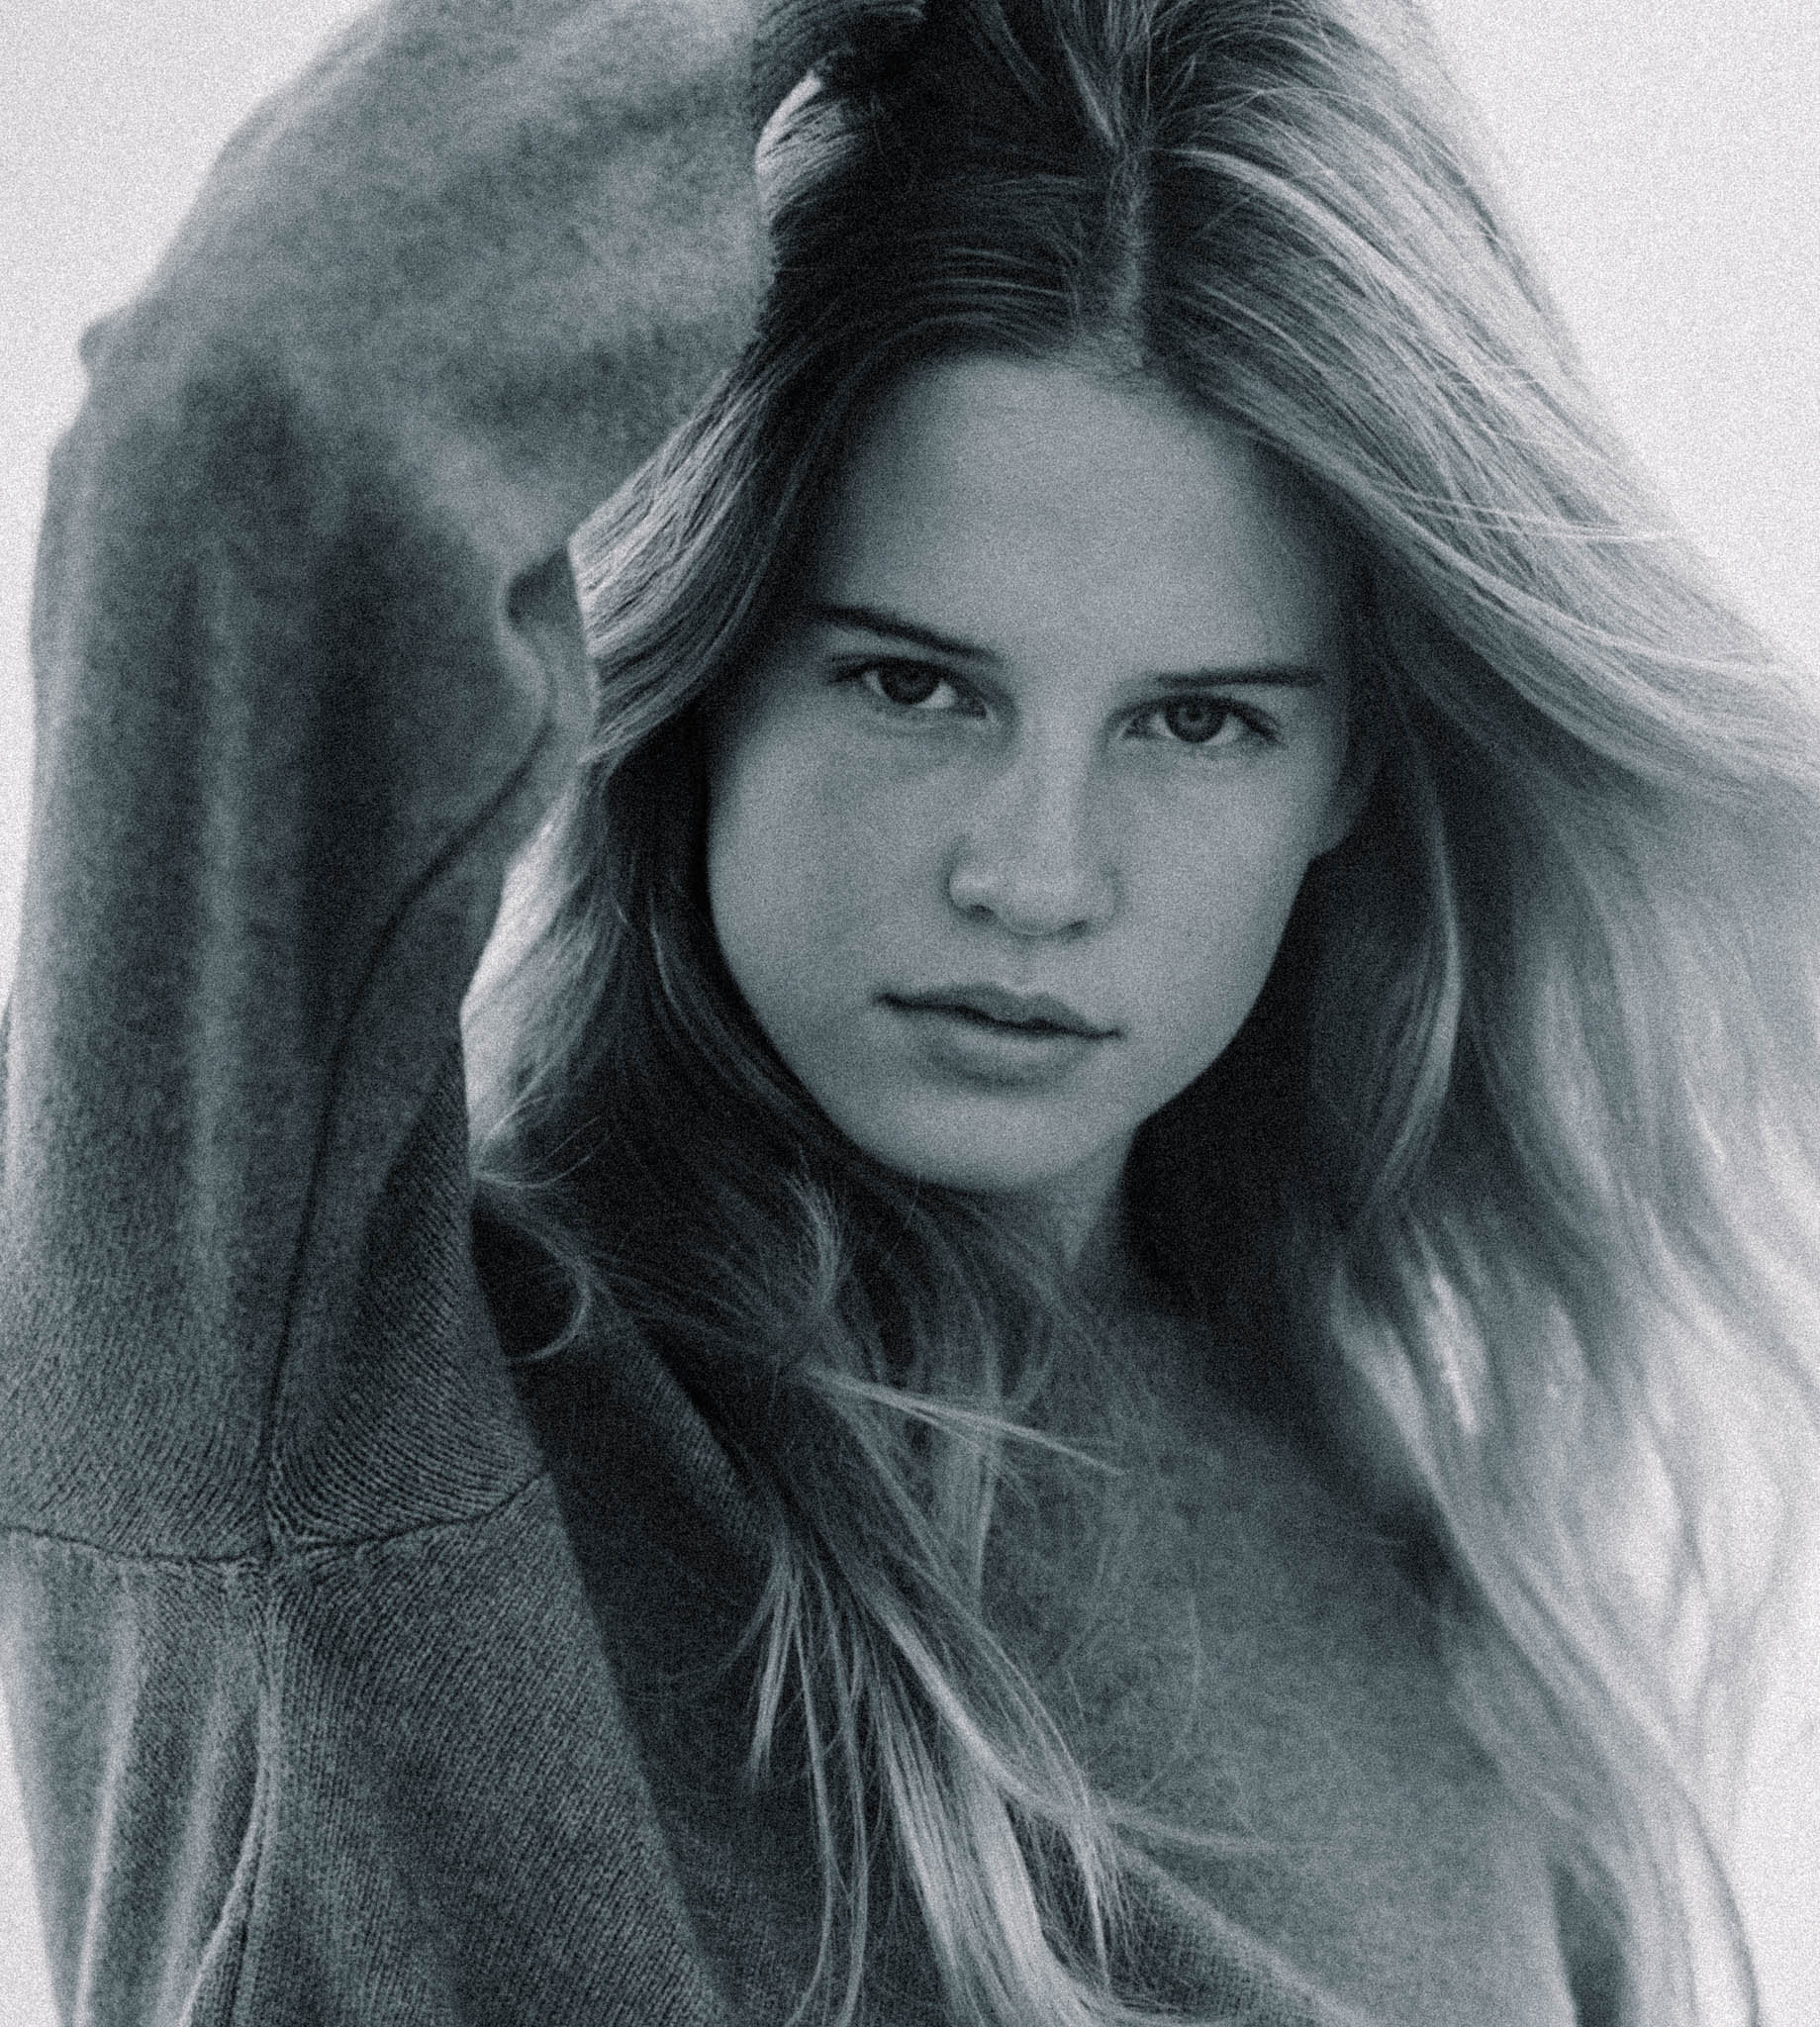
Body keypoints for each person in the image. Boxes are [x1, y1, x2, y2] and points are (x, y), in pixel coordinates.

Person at [2, 0, 1815, 2023]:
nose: (1033, 874)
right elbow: (254, 425)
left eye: (1195, 722)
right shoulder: (321, 1386)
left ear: (1347, 778)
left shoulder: (1432, 1582)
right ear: (705, 678)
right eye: (910, 683)